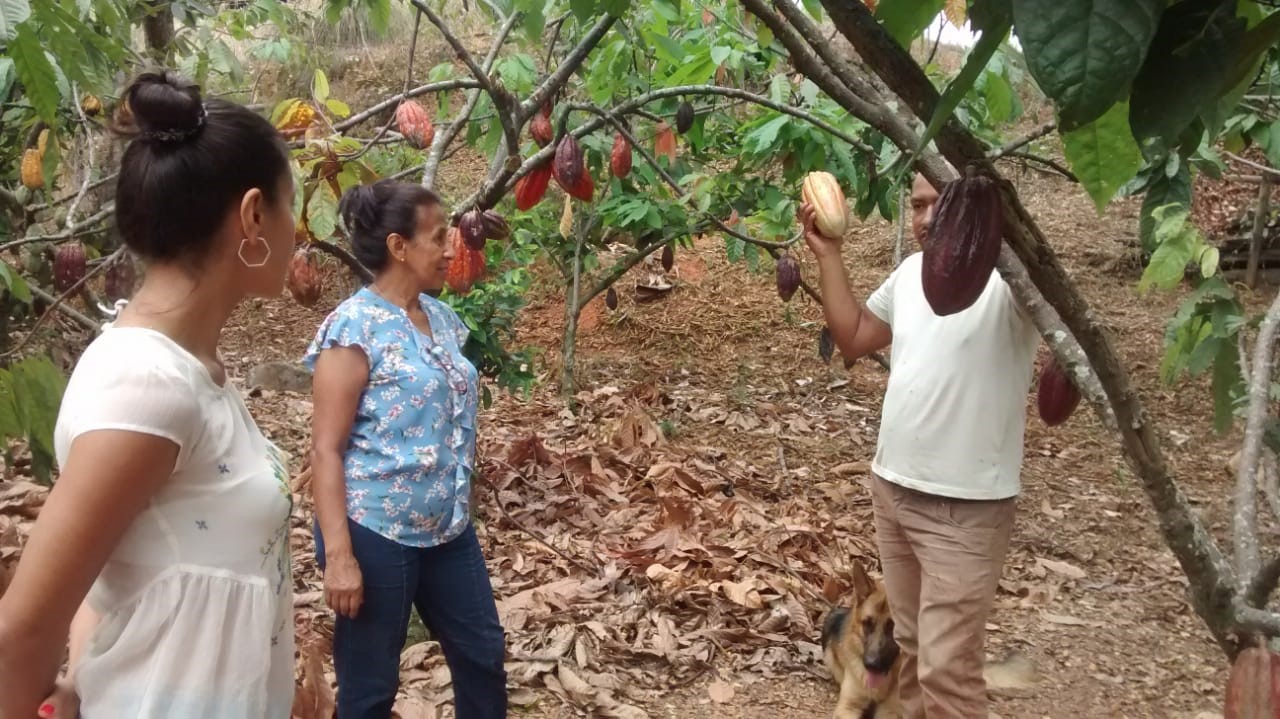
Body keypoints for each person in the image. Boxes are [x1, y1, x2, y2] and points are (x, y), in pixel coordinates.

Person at [0, 70, 299, 718]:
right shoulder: (147, 385)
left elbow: (107, 568)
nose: (297, 229)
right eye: (288, 204)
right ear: (253, 214)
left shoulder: (192, 373)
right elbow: (19, 634)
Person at [799, 171, 1039, 718]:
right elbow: (855, 336)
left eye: (942, 205)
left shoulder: (1011, 283)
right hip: (895, 490)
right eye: (918, 206)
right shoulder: (911, 275)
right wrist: (828, 255)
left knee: (947, 672)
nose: (927, 219)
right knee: (907, 648)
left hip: (968, 506)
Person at [305, 180, 507, 718]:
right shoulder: (352, 327)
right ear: (399, 246)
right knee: (370, 688)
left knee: (483, 656)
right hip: (376, 532)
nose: (450, 249)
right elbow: (325, 449)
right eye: (438, 237)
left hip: (447, 529)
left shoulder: (440, 320)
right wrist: (340, 557)